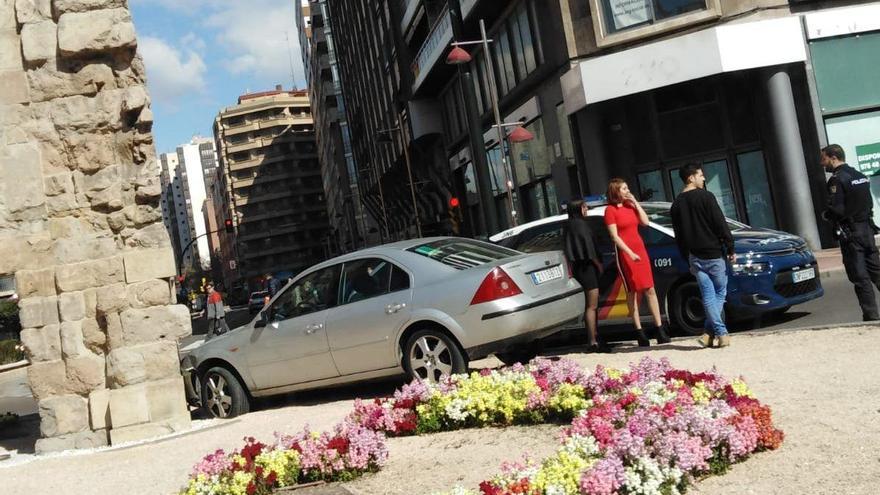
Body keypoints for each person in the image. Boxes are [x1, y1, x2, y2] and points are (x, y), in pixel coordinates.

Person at [670, 163, 735, 348]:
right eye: (701, 175)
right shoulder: (706, 197)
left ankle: (708, 333)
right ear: (691, 177)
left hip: (694, 256)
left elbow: (679, 235)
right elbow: (720, 223)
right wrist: (730, 247)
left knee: (708, 296)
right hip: (713, 253)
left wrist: (686, 257)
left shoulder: (676, 204)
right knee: (720, 293)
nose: (704, 178)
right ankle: (721, 333)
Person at [604, 179, 671, 347]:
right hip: (626, 253)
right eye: (624, 188)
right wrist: (629, 253)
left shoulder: (630, 206)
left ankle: (659, 328)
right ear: (616, 191)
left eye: (627, 187)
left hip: (640, 249)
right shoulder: (610, 210)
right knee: (632, 291)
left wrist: (635, 203)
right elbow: (614, 236)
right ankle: (639, 331)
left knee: (650, 288)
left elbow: (645, 222)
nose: (627, 190)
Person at [820, 144, 880, 321]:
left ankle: (871, 316)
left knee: (860, 276)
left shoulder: (837, 179)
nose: (822, 164)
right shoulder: (859, 176)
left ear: (833, 157)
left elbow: (837, 210)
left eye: (824, 159)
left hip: (851, 233)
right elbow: (868, 204)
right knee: (877, 272)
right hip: (867, 230)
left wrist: (826, 215)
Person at [563, 199, 611, 353]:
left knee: (591, 305)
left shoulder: (568, 225)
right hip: (587, 267)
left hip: (578, 267)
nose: (586, 209)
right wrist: (599, 264)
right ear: (578, 208)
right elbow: (590, 248)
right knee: (592, 305)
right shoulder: (581, 225)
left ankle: (594, 337)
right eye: (584, 207)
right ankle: (593, 340)